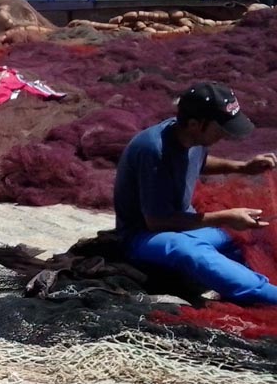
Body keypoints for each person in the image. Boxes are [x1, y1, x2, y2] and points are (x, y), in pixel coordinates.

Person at [114, 81, 277, 305]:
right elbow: (157, 222)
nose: (225, 136)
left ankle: (253, 280)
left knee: (243, 237)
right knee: (191, 252)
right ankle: (265, 294)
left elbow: (197, 161)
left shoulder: (192, 138)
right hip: (142, 236)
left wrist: (242, 167)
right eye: (221, 129)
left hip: (185, 226)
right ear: (194, 124)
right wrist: (226, 217)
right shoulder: (153, 150)